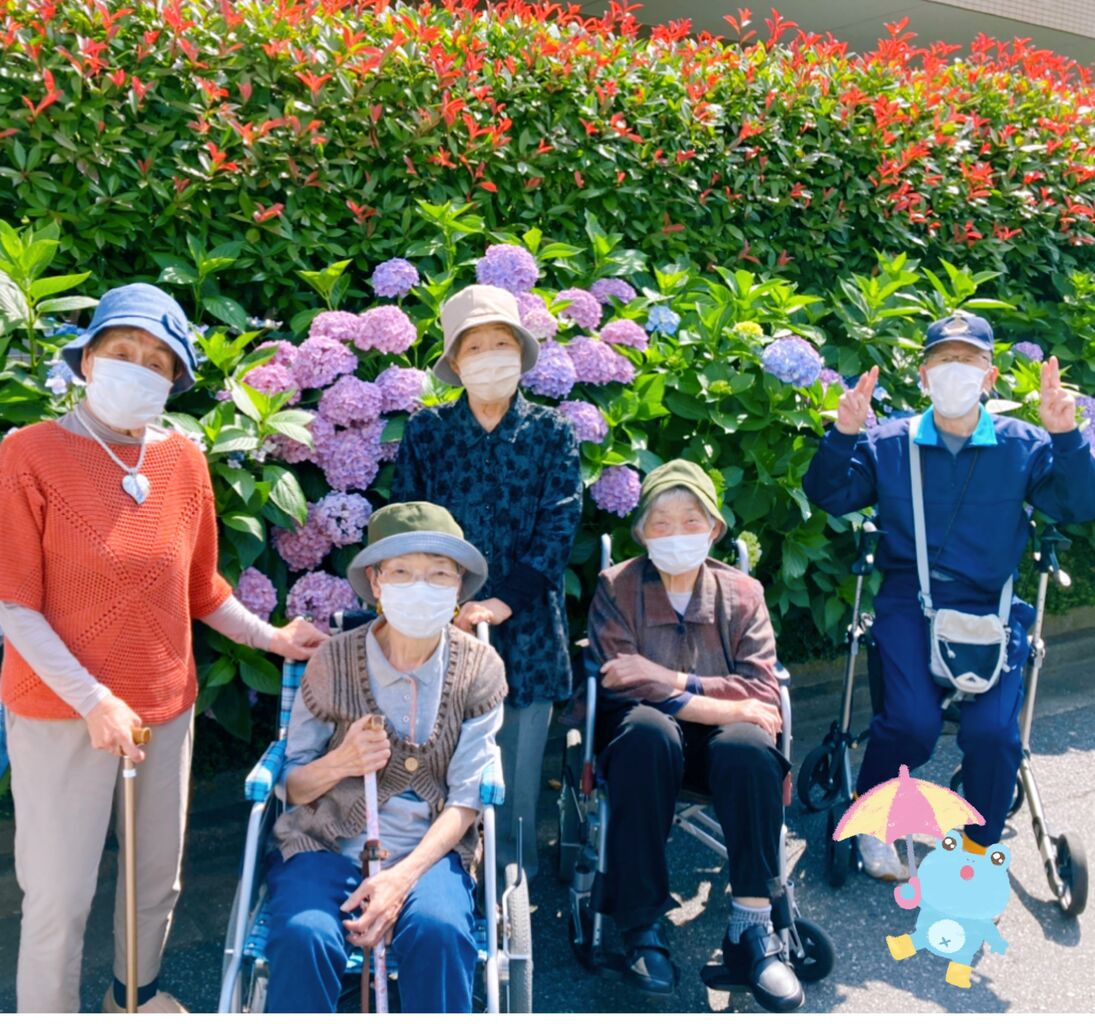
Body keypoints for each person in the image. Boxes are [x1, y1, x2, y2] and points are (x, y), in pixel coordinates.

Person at [0, 283, 326, 1013]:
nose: (138, 368)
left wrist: (271, 637)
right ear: (86, 359)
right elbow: (12, 604)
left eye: (158, 360)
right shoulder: (27, 455)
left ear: (176, 379)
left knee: (156, 882)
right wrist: (94, 699)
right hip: (60, 713)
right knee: (59, 895)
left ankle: (134, 1001)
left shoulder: (183, 462)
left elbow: (201, 588)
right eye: (123, 351)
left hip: (163, 707)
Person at [803, 311, 1095, 881]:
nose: (955, 372)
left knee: (993, 734)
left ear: (989, 378)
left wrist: (1066, 437)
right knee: (911, 723)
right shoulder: (890, 443)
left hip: (993, 606)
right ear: (923, 375)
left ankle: (979, 841)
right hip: (910, 603)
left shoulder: (1024, 445)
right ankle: (872, 823)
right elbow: (830, 495)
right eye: (943, 361)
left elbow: (1079, 505)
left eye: (969, 362)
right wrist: (843, 435)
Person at [263, 502, 507, 1012]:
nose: (421, 586)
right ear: (376, 582)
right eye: (402, 572)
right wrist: (343, 761)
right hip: (325, 843)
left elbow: (466, 801)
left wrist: (400, 879)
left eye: (439, 574)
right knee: (304, 935)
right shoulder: (333, 659)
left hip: (430, 852)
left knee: (440, 932)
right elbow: (294, 787)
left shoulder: (480, 668)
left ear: (459, 586)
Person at [587, 459, 804, 1012]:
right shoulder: (618, 586)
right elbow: (618, 680)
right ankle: (641, 926)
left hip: (718, 751)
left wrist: (669, 680)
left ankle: (752, 928)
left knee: (749, 747)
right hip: (643, 743)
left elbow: (760, 688)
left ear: (713, 529)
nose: (676, 533)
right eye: (661, 523)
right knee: (645, 731)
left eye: (691, 520)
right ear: (640, 533)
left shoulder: (742, 593)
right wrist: (714, 700)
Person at [391, 284, 582, 878]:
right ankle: (438, 884)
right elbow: (409, 520)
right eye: (476, 346)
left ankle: (510, 891)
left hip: (525, 636)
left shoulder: (553, 434)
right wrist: (441, 600)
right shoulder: (428, 434)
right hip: (436, 627)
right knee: (434, 765)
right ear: (456, 361)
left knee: (517, 783)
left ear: (521, 354)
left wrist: (502, 601)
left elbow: (560, 524)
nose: (491, 355)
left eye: (503, 343)